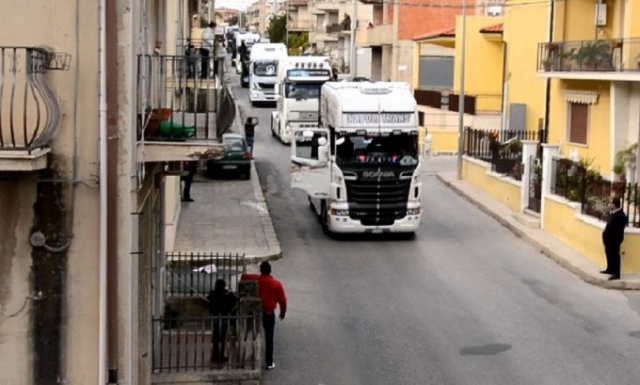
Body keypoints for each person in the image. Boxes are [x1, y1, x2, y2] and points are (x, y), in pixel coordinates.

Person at [241, 261, 287, 370]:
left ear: (261, 270)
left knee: (252, 333)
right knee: (269, 338)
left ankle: (250, 355)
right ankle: (269, 362)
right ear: (270, 271)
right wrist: (282, 313)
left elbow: (243, 276)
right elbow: (283, 301)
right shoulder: (276, 284)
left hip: (256, 312)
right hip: (268, 313)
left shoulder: (256, 279)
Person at [207, 279, 238, 364]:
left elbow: (208, 299)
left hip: (216, 318)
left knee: (216, 337)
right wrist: (230, 292)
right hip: (224, 318)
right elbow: (234, 300)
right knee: (222, 337)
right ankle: (220, 356)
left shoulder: (213, 294)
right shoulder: (226, 295)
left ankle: (215, 355)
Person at [600, 197, 627, 280]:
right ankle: (610, 269)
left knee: (615, 255)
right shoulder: (614, 213)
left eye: (611, 203)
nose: (610, 205)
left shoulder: (621, 215)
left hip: (614, 239)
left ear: (615, 205)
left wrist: (613, 237)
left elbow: (619, 229)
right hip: (608, 239)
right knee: (609, 253)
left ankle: (616, 273)